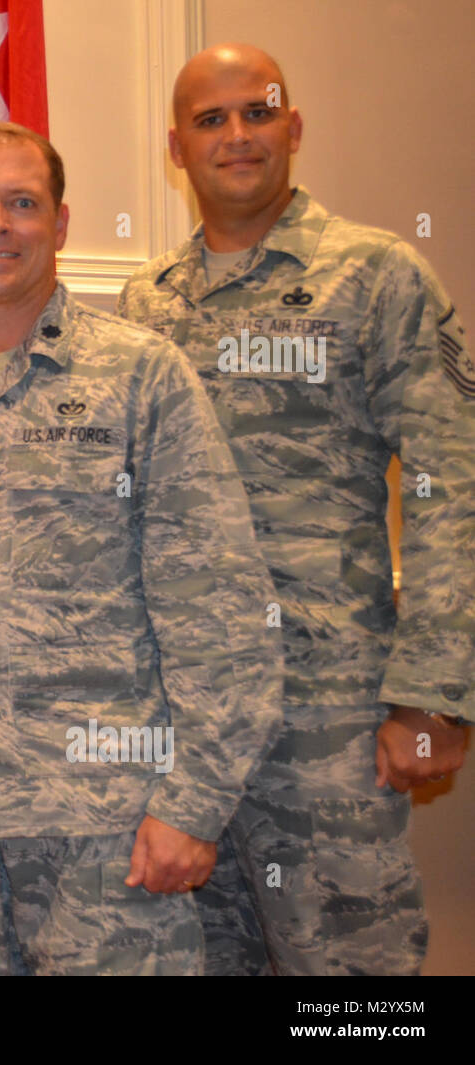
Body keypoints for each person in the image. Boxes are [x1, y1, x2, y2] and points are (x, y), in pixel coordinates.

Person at [0, 122, 283, 976]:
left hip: (106, 830)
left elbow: (220, 606)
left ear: (61, 222)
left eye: (22, 203)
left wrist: (193, 804)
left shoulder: (140, 375)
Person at [118, 43, 473, 976]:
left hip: (326, 718)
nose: (237, 134)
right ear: (176, 147)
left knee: (346, 976)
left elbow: (454, 481)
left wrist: (434, 691)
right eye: (211, 119)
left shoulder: (376, 276)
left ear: (294, 127)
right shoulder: (142, 305)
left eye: (259, 110)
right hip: (179, 723)